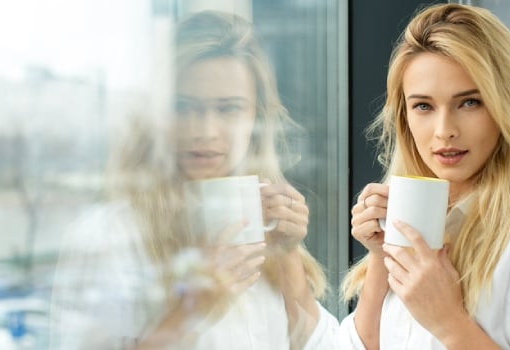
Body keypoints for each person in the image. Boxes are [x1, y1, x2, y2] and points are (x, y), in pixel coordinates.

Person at [49, 10, 338, 349]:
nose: (204, 131)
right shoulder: (107, 237)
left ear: (255, 118)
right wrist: (192, 307)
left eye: (228, 108)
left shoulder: (263, 230)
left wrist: (288, 255)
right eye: (182, 107)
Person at [339, 4, 510, 349]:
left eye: (469, 103)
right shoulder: (414, 227)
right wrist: (380, 257)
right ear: (404, 118)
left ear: (504, 106)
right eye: (423, 106)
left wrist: (451, 324)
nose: (444, 131)